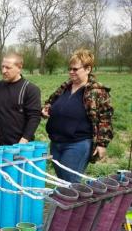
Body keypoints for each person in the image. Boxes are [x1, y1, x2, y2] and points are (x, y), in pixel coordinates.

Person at [42, 49, 113, 183]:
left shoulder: (97, 91)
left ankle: (80, 203)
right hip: (56, 143)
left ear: (88, 69)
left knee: (70, 182)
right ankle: (67, 202)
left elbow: (106, 118)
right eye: (69, 69)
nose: (71, 72)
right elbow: (50, 103)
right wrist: (46, 110)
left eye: (75, 69)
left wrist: (102, 144)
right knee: (62, 181)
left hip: (77, 144)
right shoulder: (65, 87)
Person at [0, 52, 41, 145]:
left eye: (8, 68)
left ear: (19, 68)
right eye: (2, 67)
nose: (3, 71)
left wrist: (23, 142)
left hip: (22, 147)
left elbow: (34, 117)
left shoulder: (30, 90)